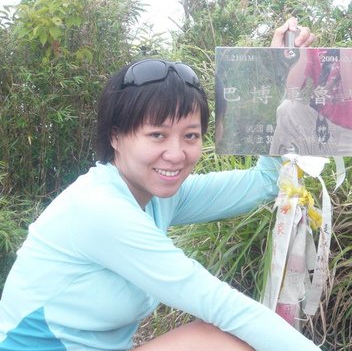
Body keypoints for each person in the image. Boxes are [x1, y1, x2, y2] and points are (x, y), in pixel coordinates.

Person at [0, 20, 318, 351]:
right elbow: (221, 305)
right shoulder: (98, 208)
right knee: (223, 341)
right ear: (115, 136)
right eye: (157, 135)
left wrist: (281, 83)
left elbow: (266, 181)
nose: (176, 154)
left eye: (190, 135)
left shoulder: (156, 197)